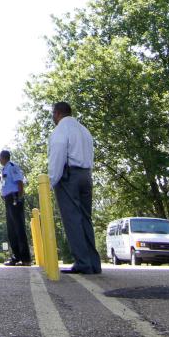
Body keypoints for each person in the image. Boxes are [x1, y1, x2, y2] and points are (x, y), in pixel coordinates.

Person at [48, 101, 101, 274]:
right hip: (86, 174)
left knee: (72, 220)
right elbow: (91, 154)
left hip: (69, 177)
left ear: (57, 114)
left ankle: (83, 263)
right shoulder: (84, 130)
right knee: (86, 218)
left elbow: (57, 157)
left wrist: (51, 182)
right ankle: (94, 263)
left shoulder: (60, 131)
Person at [0, 150, 31, 266]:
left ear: (3, 158)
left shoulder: (12, 166)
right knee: (11, 230)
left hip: (15, 198)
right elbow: (5, 181)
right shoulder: (4, 169)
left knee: (19, 229)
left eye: (0, 158)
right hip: (8, 200)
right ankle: (16, 257)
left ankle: (25, 258)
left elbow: (20, 182)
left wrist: (19, 197)